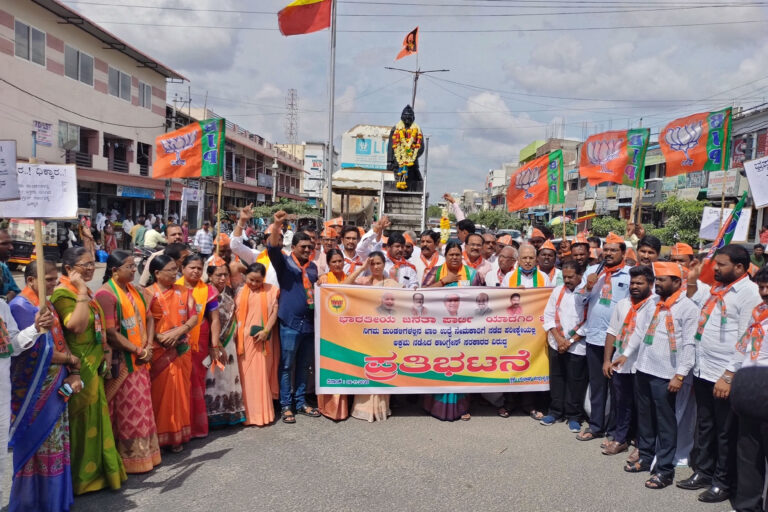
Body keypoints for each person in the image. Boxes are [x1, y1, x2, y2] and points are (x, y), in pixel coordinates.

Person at [678, 245, 762, 503]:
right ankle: (704, 471)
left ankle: (723, 482)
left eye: (721, 265)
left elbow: (746, 337)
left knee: (725, 432)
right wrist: (691, 281)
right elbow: (694, 302)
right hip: (704, 369)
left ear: (739, 267)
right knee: (705, 425)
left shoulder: (749, 293)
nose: (714, 268)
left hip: (725, 375)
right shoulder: (717, 289)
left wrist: (728, 375)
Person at [612, 262, 698, 489]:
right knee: (645, 418)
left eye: (662, 280)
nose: (657, 284)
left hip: (666, 374)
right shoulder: (653, 303)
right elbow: (640, 331)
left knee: (665, 422)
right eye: (657, 280)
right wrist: (626, 354)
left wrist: (680, 375)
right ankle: (646, 457)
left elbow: (690, 344)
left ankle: (665, 470)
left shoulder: (688, 308)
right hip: (644, 368)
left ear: (677, 283)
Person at [51, 247, 126, 494]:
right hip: (78, 365)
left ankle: (101, 473)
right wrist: (82, 291)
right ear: (69, 269)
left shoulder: (81, 291)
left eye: (93, 264)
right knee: (82, 420)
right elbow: (77, 325)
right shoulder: (64, 294)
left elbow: (96, 326)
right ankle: (82, 478)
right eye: (85, 265)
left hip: (94, 361)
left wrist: (105, 351)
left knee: (97, 417)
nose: (91, 269)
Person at [8, 260, 76, 512]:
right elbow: (27, 349)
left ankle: (54, 500)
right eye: (48, 279)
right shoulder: (20, 307)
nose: (54, 283)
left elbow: (60, 339)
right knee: (36, 444)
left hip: (56, 382)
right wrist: (70, 359)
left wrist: (73, 369)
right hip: (33, 388)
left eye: (54, 278)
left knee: (56, 441)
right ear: (30, 281)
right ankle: (31, 502)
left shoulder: (46, 303)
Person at [94, 251, 161, 474]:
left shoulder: (135, 290)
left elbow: (150, 316)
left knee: (142, 408)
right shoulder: (106, 295)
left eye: (134, 266)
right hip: (124, 363)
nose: (134, 270)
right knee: (127, 411)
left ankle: (146, 455)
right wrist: (138, 350)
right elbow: (110, 334)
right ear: (114, 271)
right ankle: (128, 459)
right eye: (129, 266)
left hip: (141, 358)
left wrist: (149, 345)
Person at [266, 211, 321, 424]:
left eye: (310, 247)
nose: (307, 250)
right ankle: (286, 405)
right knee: (287, 365)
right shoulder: (284, 264)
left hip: (310, 323)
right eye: (303, 247)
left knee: (304, 364)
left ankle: (300, 402)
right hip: (290, 323)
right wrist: (277, 224)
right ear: (294, 247)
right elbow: (272, 248)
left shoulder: (314, 267)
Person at [576, 232, 630, 442]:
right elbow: (580, 302)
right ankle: (596, 426)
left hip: (618, 341)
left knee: (618, 390)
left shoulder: (629, 274)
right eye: (605, 249)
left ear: (622, 253)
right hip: (594, 337)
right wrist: (588, 287)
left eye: (613, 250)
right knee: (597, 386)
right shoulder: (592, 271)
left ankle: (615, 431)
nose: (608, 253)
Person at [600, 265, 656, 456]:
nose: (634, 286)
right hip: (620, 364)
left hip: (643, 365)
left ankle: (642, 445)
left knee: (643, 407)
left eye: (640, 283)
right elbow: (612, 332)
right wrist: (607, 360)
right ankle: (620, 439)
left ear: (650, 284)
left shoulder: (655, 306)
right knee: (622, 404)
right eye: (632, 282)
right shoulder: (622, 304)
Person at [422, 241, 480, 421]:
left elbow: (483, 298)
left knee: (460, 367)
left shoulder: (472, 274)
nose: (454, 258)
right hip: (438, 331)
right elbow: (421, 293)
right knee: (440, 368)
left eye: (457, 255)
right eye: (451, 255)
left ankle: (461, 408)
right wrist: (442, 282)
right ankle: (434, 406)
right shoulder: (436, 272)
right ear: (445, 256)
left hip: (464, 331)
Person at [146, 255, 198, 453]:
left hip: (180, 349)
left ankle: (177, 436)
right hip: (159, 351)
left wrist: (178, 332)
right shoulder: (147, 293)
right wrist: (159, 338)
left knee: (179, 393)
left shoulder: (184, 291)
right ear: (157, 273)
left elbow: (194, 318)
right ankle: (157, 437)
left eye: (175, 269)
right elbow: (144, 320)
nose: (175, 273)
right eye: (170, 270)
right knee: (159, 395)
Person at [345, 253, 400, 422]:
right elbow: (345, 286)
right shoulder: (363, 281)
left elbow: (402, 303)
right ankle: (362, 409)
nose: (376, 267)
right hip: (365, 333)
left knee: (382, 368)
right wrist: (362, 268)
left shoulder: (392, 284)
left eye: (379, 263)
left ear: (384, 264)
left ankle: (381, 408)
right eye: (373, 264)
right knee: (366, 368)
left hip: (385, 334)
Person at [730, 266, 768, 511]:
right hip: (750, 390)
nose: (764, 292)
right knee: (748, 454)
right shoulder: (758, 314)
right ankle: (747, 506)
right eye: (761, 287)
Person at [540, 260, 587, 432]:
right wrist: (559, 340)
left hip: (578, 345)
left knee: (575, 381)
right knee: (557, 379)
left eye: (571, 277)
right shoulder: (557, 291)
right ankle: (555, 412)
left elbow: (589, 321)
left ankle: (574, 416)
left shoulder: (586, 293)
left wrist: (570, 341)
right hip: (556, 343)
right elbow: (548, 315)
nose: (567, 281)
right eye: (565, 277)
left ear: (580, 276)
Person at [177, 254, 221, 440]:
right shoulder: (174, 288)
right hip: (176, 341)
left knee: (196, 382)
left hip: (199, 342)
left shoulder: (208, 290)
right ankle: (178, 427)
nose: (195, 271)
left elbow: (215, 319)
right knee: (177, 384)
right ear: (182, 268)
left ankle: (196, 427)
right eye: (191, 267)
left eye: (199, 268)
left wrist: (214, 345)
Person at [235, 263, 280, 426]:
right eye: (251, 279)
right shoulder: (239, 290)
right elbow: (234, 266)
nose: (254, 284)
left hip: (263, 339)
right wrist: (242, 267)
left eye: (258, 281)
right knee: (246, 377)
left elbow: (274, 312)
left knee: (260, 376)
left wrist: (266, 331)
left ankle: (261, 414)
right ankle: (246, 414)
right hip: (242, 341)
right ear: (245, 276)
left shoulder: (271, 290)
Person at [205, 263, 246, 428]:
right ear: (209, 276)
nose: (222, 278)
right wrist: (215, 341)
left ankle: (230, 411)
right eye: (218, 275)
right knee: (213, 377)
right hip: (213, 342)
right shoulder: (206, 292)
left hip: (230, 342)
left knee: (229, 376)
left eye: (225, 275)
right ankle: (212, 415)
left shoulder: (230, 291)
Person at [314, 250, 350, 421]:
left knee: (342, 368)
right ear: (328, 263)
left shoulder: (348, 278)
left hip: (345, 331)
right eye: (334, 261)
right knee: (329, 366)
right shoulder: (324, 280)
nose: (337, 264)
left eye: (340, 261)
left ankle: (342, 409)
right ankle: (327, 407)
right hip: (327, 331)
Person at [0, 229, 20, 301]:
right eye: (4, 244)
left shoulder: (3, 267)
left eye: (11, 243)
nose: (11, 247)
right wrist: (7, 298)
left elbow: (16, 291)